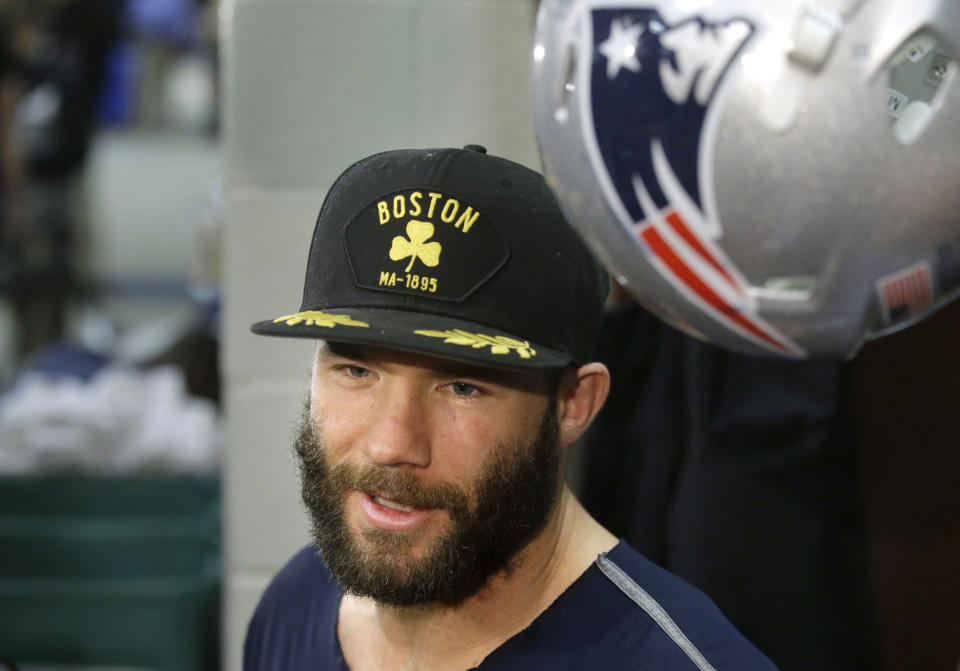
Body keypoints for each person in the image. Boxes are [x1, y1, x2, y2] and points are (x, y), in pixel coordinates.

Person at [244, 144, 779, 670]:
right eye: (356, 371)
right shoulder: (296, 604)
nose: (391, 444)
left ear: (574, 404)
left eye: (462, 387)